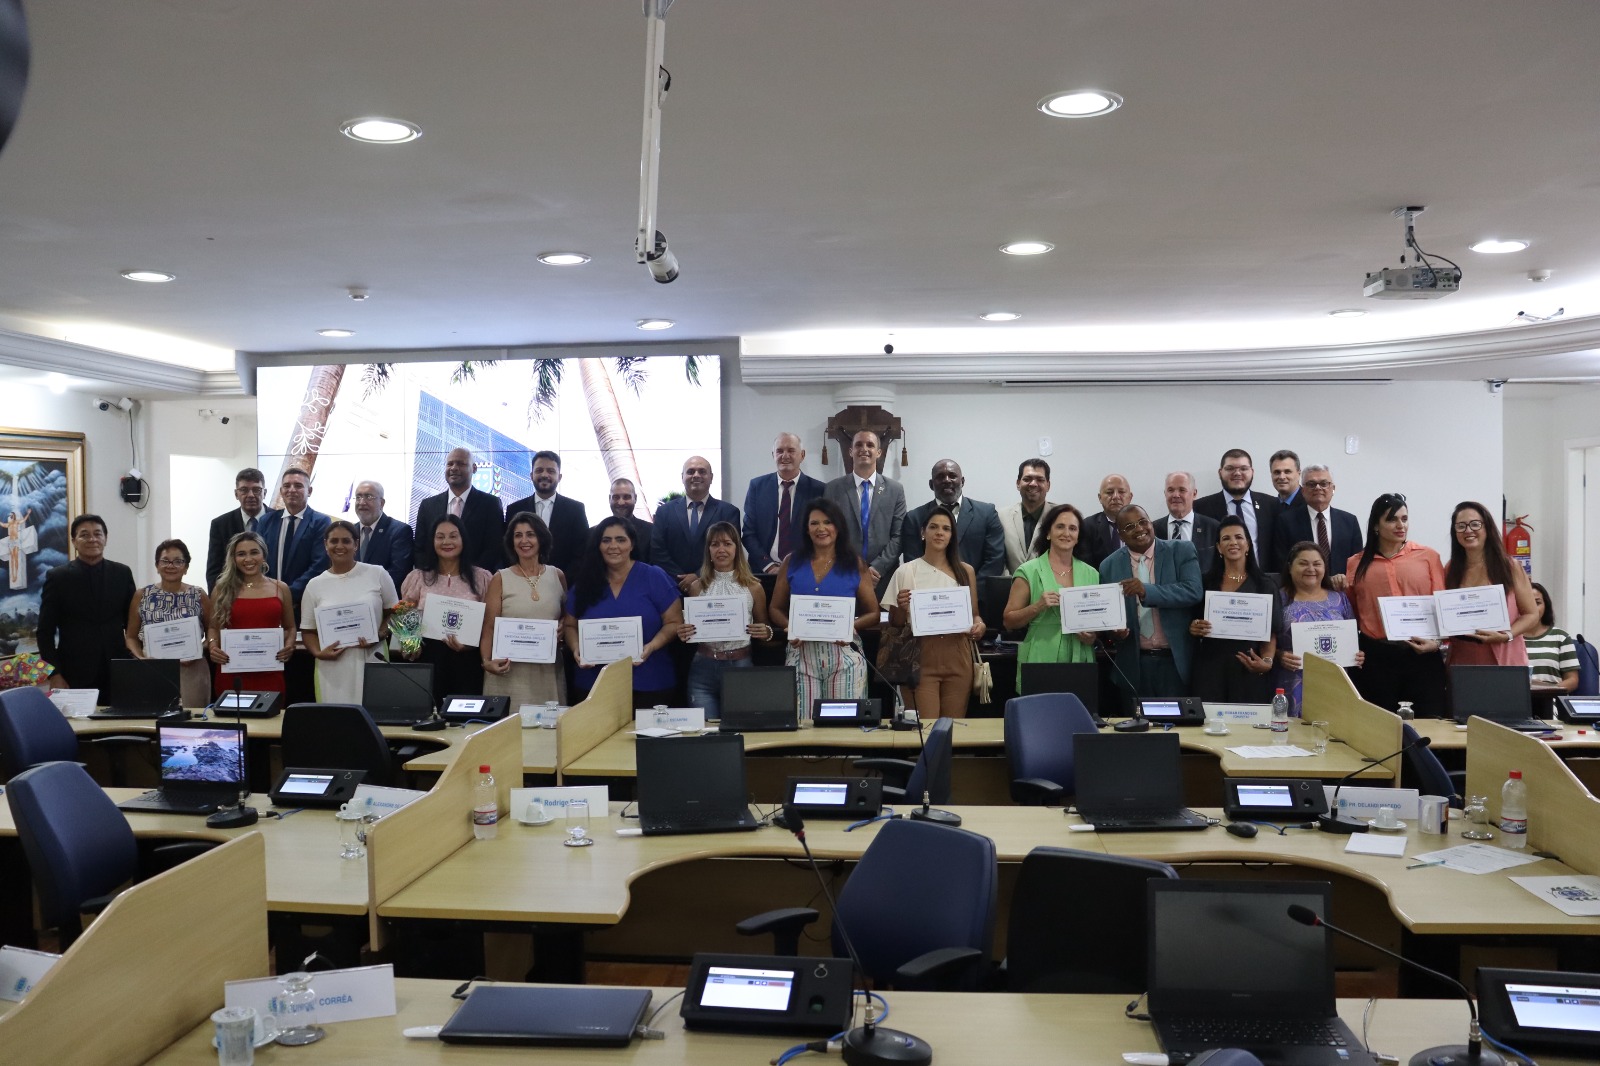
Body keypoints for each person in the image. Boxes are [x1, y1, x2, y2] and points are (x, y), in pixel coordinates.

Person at [769, 498, 880, 713]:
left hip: (844, 659)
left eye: (828, 522)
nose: (821, 528)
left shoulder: (854, 563)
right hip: (801, 656)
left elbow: (873, 613)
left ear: (838, 526)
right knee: (803, 726)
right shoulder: (791, 562)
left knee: (843, 728)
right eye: (814, 523)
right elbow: (775, 608)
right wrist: (790, 627)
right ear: (806, 529)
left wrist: (849, 626)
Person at [564, 517, 684, 707]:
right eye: (606, 540)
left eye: (620, 539)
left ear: (632, 544)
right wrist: (576, 647)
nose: (613, 546)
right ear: (598, 545)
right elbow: (569, 624)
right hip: (594, 684)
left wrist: (651, 646)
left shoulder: (653, 576)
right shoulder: (585, 582)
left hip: (650, 681)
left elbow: (675, 622)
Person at [1344, 493, 1447, 716]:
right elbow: (1353, 611)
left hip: (1422, 655)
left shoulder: (1428, 556)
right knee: (1379, 726)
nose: (1401, 525)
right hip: (1377, 657)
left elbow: (1442, 605)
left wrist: (1436, 643)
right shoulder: (1355, 563)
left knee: (1428, 723)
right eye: (1391, 519)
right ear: (1376, 526)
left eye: (1404, 518)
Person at [882, 506, 986, 717]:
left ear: (952, 535)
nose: (940, 532)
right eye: (934, 527)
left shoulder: (966, 571)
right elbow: (894, 624)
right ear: (923, 532)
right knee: (925, 729)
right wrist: (902, 608)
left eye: (946, 529)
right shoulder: (906, 571)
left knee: (953, 729)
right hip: (919, 657)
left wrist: (979, 625)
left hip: (958, 656)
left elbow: (975, 614)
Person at [1098, 505, 1203, 709]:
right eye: (1129, 526)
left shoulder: (1181, 550)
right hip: (1134, 666)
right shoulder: (1108, 566)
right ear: (1120, 534)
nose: (1139, 529)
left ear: (1151, 522)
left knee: (1178, 734)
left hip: (1175, 663)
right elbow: (1109, 613)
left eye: (1143, 522)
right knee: (1139, 735)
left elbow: (1193, 591)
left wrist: (1147, 591)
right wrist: (1115, 632)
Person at [676, 520, 773, 718]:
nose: (721, 549)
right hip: (703, 669)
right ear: (708, 550)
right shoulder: (696, 587)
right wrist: (683, 632)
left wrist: (767, 632)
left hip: (740, 666)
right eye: (715, 544)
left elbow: (765, 629)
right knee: (705, 735)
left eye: (727, 543)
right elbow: (688, 632)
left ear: (737, 549)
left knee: (741, 731)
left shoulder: (754, 587)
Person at [300, 520, 399, 704]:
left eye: (346, 541)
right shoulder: (315, 585)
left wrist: (379, 635)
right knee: (337, 722)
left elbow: (394, 612)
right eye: (334, 541)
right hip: (332, 667)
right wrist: (318, 653)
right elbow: (308, 631)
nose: (340, 546)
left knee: (375, 719)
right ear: (325, 545)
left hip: (372, 659)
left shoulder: (377, 574)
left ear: (356, 544)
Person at [1002, 503, 1099, 687]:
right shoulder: (1028, 571)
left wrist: (1092, 637)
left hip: (1081, 657)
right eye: (1060, 527)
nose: (1066, 533)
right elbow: (1009, 621)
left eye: (1073, 528)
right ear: (1048, 533)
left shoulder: (1091, 573)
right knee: (1039, 713)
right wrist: (1037, 606)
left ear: (1078, 537)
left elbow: (1096, 622)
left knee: (1077, 714)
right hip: (1041, 655)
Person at [401, 514, 494, 704]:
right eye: (440, 536)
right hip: (428, 660)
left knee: (464, 721)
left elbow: (489, 621)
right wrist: (411, 644)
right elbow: (406, 614)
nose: (446, 542)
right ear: (432, 541)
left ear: (463, 540)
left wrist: (471, 644)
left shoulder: (482, 578)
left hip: (468, 659)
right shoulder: (418, 577)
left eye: (453, 536)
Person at [38, 514, 137, 691]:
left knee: (122, 719)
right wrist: (54, 674)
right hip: (73, 673)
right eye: (84, 535)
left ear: (105, 539)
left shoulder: (122, 573)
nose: (92, 539)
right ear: (74, 541)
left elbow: (133, 624)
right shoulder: (58, 577)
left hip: (118, 670)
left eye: (98, 534)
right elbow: (45, 633)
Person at [1187, 517, 1280, 704]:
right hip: (1210, 669)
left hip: (1248, 667)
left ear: (1248, 545)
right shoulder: (1205, 582)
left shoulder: (1265, 585)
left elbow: (1271, 632)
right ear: (1219, 548)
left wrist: (1267, 662)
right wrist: (1194, 627)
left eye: (1239, 537)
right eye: (1226, 539)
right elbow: (1192, 622)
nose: (1233, 542)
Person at [480, 512, 568, 707]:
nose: (524, 540)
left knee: (548, 731)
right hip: (509, 673)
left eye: (530, 534)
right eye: (518, 535)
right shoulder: (500, 578)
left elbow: (566, 618)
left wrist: (563, 625)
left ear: (541, 538)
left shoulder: (557, 576)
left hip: (547, 673)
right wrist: (487, 661)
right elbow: (489, 627)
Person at [1442, 501, 1538, 668]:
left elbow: (1531, 614)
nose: (1468, 530)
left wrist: (1507, 635)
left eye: (1475, 524)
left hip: (1505, 655)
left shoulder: (1509, 566)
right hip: (1463, 658)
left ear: (1487, 527)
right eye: (1461, 526)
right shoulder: (1450, 568)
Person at [1272, 541, 1363, 716]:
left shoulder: (1340, 599)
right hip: (1292, 683)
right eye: (1303, 563)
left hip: (1335, 683)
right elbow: (1265, 639)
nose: (1311, 569)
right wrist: (1279, 655)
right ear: (1290, 568)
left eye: (1317, 564)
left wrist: (1356, 655)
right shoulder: (1278, 599)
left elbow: (1352, 638)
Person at [125, 539, 212, 707]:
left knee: (190, 722)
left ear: (186, 567)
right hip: (153, 669)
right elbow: (131, 637)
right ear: (157, 565)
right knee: (154, 719)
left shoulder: (198, 594)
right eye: (165, 561)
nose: (171, 565)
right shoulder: (142, 595)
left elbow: (213, 632)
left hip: (191, 669)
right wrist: (142, 659)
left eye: (178, 561)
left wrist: (198, 650)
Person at [206, 531, 295, 694]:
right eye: (241, 554)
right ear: (234, 559)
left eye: (254, 552)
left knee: (270, 718)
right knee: (232, 718)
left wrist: (289, 645)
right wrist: (212, 646)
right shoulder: (221, 589)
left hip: (270, 672)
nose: (248, 559)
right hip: (232, 672)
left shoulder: (280, 588)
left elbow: (290, 627)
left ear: (264, 555)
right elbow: (213, 627)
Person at [821, 430, 905, 589]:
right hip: (843, 572)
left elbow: (899, 535)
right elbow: (828, 533)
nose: (864, 449)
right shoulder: (833, 489)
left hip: (883, 577)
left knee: (884, 615)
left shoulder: (895, 490)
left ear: (879, 452)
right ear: (851, 451)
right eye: (858, 444)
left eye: (870, 445)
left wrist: (877, 568)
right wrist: (853, 567)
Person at [652, 455, 741, 593]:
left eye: (702, 471)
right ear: (682, 477)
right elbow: (658, 550)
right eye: (690, 471)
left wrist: (698, 575)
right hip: (671, 587)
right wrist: (681, 579)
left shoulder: (729, 512)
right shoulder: (664, 512)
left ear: (711, 477)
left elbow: (731, 551)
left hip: (713, 587)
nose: (696, 475)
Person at [900, 459, 1006, 576]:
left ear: (962, 481)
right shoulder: (914, 518)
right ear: (931, 484)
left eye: (952, 476)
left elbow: (995, 560)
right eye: (940, 477)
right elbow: (912, 562)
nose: (947, 480)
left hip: (976, 590)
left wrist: (969, 590)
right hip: (930, 591)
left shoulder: (987, 513)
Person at [742, 432, 825, 574]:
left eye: (791, 450)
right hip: (763, 571)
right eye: (779, 451)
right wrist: (768, 566)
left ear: (802, 455)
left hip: (804, 571)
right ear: (773, 455)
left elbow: (821, 534)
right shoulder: (757, 486)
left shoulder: (819, 490)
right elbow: (749, 533)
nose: (785, 456)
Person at [414, 447, 506, 575]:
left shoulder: (490, 504)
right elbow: (420, 548)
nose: (454, 468)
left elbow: (493, 548)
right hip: (433, 582)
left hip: (475, 583)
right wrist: (433, 575)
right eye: (450, 464)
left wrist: (467, 577)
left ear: (474, 468)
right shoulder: (427, 505)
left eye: (461, 464)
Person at [1269, 465, 1362, 586]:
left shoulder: (1349, 521)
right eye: (1311, 484)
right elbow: (1282, 562)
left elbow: (1357, 562)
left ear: (1333, 489)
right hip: (1301, 592)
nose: (1318, 488)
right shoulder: (1286, 521)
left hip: (1341, 591)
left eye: (1324, 483)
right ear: (1303, 491)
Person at [254, 467, 330, 609]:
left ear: (310, 491)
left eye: (298, 486)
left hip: (305, 602)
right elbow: (259, 559)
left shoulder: (321, 522)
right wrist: (270, 592)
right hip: (269, 600)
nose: (292, 490)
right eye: (287, 486)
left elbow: (319, 565)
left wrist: (287, 594)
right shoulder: (266, 521)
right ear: (281, 491)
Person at [506, 450, 589, 577]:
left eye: (551, 471)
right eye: (539, 470)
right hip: (521, 582)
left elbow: (581, 552)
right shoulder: (514, 509)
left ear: (559, 477)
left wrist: (562, 582)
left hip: (563, 586)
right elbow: (508, 549)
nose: (544, 475)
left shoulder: (575, 509)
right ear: (531, 475)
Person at [1194, 449, 1278, 568]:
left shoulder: (1272, 505)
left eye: (1243, 468)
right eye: (1230, 468)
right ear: (1220, 472)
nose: (1237, 473)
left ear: (1252, 472)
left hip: (1262, 581)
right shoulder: (1200, 507)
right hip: (1218, 582)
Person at [205, 467, 273, 592]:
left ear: (265, 493)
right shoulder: (220, 524)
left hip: (272, 593)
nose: (251, 495)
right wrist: (218, 600)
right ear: (236, 494)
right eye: (244, 490)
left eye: (257, 490)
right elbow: (214, 570)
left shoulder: (278, 520)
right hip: (234, 595)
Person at [351, 479, 414, 591]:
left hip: (381, 600)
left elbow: (397, 573)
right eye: (358, 497)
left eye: (368, 497)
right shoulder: (350, 532)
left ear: (382, 503)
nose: (362, 502)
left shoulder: (400, 531)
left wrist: (365, 593)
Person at [1152, 471, 1219, 570]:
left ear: (1194, 494)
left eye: (1182, 490)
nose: (1176, 495)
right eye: (1170, 490)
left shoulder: (1213, 527)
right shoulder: (1153, 529)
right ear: (1165, 493)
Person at [998, 459, 1055, 574]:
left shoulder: (1059, 516)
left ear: (1048, 485)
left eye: (1040, 479)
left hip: (1050, 588)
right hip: (1010, 588)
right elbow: (997, 559)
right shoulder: (1000, 516)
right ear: (1018, 484)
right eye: (1027, 479)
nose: (1033, 484)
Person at [1524, 582, 1580, 692]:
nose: (1532, 608)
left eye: (1537, 603)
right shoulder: (1508, 638)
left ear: (1546, 605)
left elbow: (1572, 680)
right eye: (1526, 602)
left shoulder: (1561, 637)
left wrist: (1547, 691)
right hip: (1516, 702)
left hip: (1549, 702)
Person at [1075, 473, 1132, 569]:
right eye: (1109, 492)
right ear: (1100, 497)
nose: (1115, 497)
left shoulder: (1141, 527)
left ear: (1130, 497)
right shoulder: (1087, 526)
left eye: (1121, 492)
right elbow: (1085, 566)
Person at [605, 478, 654, 564]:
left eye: (626, 497)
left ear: (635, 498)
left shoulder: (651, 531)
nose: (621, 502)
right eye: (616, 497)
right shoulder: (596, 533)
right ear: (610, 499)